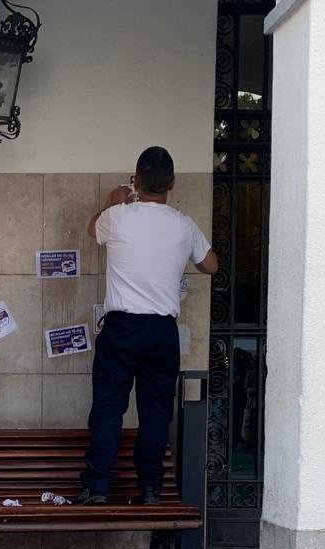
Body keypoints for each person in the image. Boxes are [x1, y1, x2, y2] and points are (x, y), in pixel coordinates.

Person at [77, 146, 219, 505]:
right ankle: (150, 488)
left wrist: (114, 201)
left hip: (121, 328)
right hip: (161, 331)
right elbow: (212, 265)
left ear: (136, 179)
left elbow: (93, 229)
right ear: (171, 183)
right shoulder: (183, 224)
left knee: (109, 407)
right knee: (155, 411)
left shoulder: (118, 216)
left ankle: (97, 487)